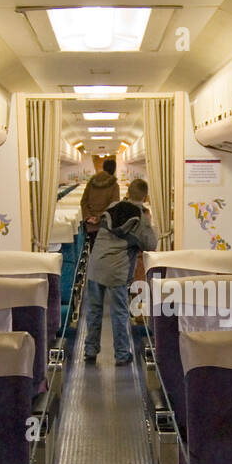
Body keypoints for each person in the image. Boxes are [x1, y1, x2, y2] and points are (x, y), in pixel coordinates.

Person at [85, 178, 157, 366]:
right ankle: (122, 354)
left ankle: (90, 350)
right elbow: (151, 244)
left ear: (128, 192)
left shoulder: (112, 207)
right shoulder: (141, 218)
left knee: (93, 310)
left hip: (95, 265)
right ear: (146, 196)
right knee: (119, 312)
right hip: (117, 271)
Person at [80, 157, 120, 239]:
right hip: (105, 224)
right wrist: (99, 218)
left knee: (92, 246)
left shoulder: (91, 182)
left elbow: (83, 201)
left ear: (104, 167)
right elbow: (113, 207)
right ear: (114, 169)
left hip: (90, 224)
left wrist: (88, 216)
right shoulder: (114, 185)